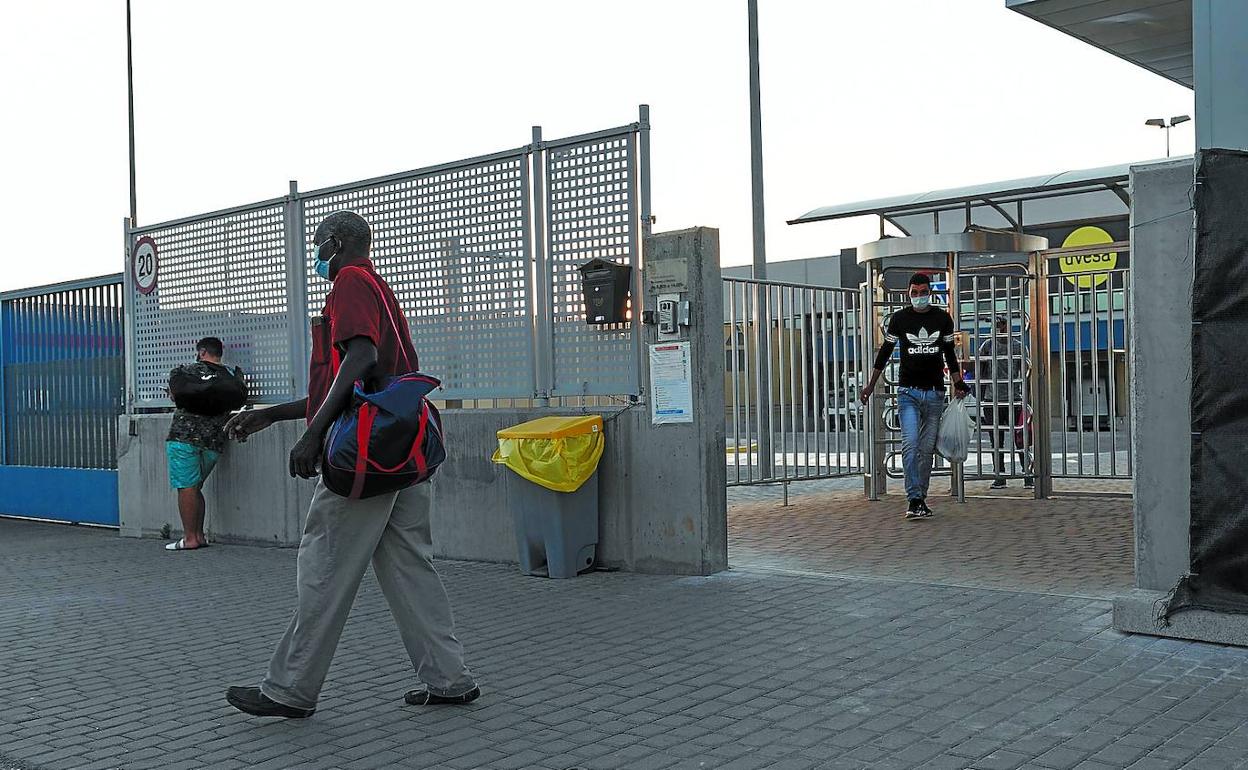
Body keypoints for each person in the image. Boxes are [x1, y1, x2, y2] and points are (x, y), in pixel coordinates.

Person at [222, 211, 478, 719]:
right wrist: (272, 414)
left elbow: (359, 362)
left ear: (335, 242)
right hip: (401, 450)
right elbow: (355, 382)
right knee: (410, 567)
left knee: (324, 564)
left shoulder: (348, 282)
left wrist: (312, 436)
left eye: (318, 243)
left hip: (365, 456)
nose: (316, 253)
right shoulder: (377, 287)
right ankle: (449, 678)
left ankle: (289, 690)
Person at [860, 273, 968, 519]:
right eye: (914, 292)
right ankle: (913, 498)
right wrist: (870, 385)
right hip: (907, 392)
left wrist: (958, 382)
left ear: (930, 292)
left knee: (927, 450)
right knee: (910, 445)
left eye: (923, 291)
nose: (919, 296)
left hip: (935, 394)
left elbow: (950, 354)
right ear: (908, 294)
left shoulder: (942, 319)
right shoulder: (899, 319)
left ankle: (921, 496)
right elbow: (885, 353)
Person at [164, 337, 234, 551]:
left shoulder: (187, 371)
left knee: (186, 487)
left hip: (184, 437)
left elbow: (178, 397)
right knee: (195, 488)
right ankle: (200, 536)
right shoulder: (230, 375)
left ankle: (190, 538)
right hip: (214, 440)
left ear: (202, 351)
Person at [979, 316, 1034, 489]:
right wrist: (981, 399)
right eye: (995, 325)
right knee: (996, 441)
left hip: (1015, 400)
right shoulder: (987, 346)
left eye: (1001, 324)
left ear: (1007, 326)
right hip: (992, 400)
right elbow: (981, 373)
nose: (998, 328)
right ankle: (1000, 476)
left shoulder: (1018, 346)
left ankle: (1028, 474)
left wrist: (1028, 401)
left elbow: (1026, 374)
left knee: (1020, 439)